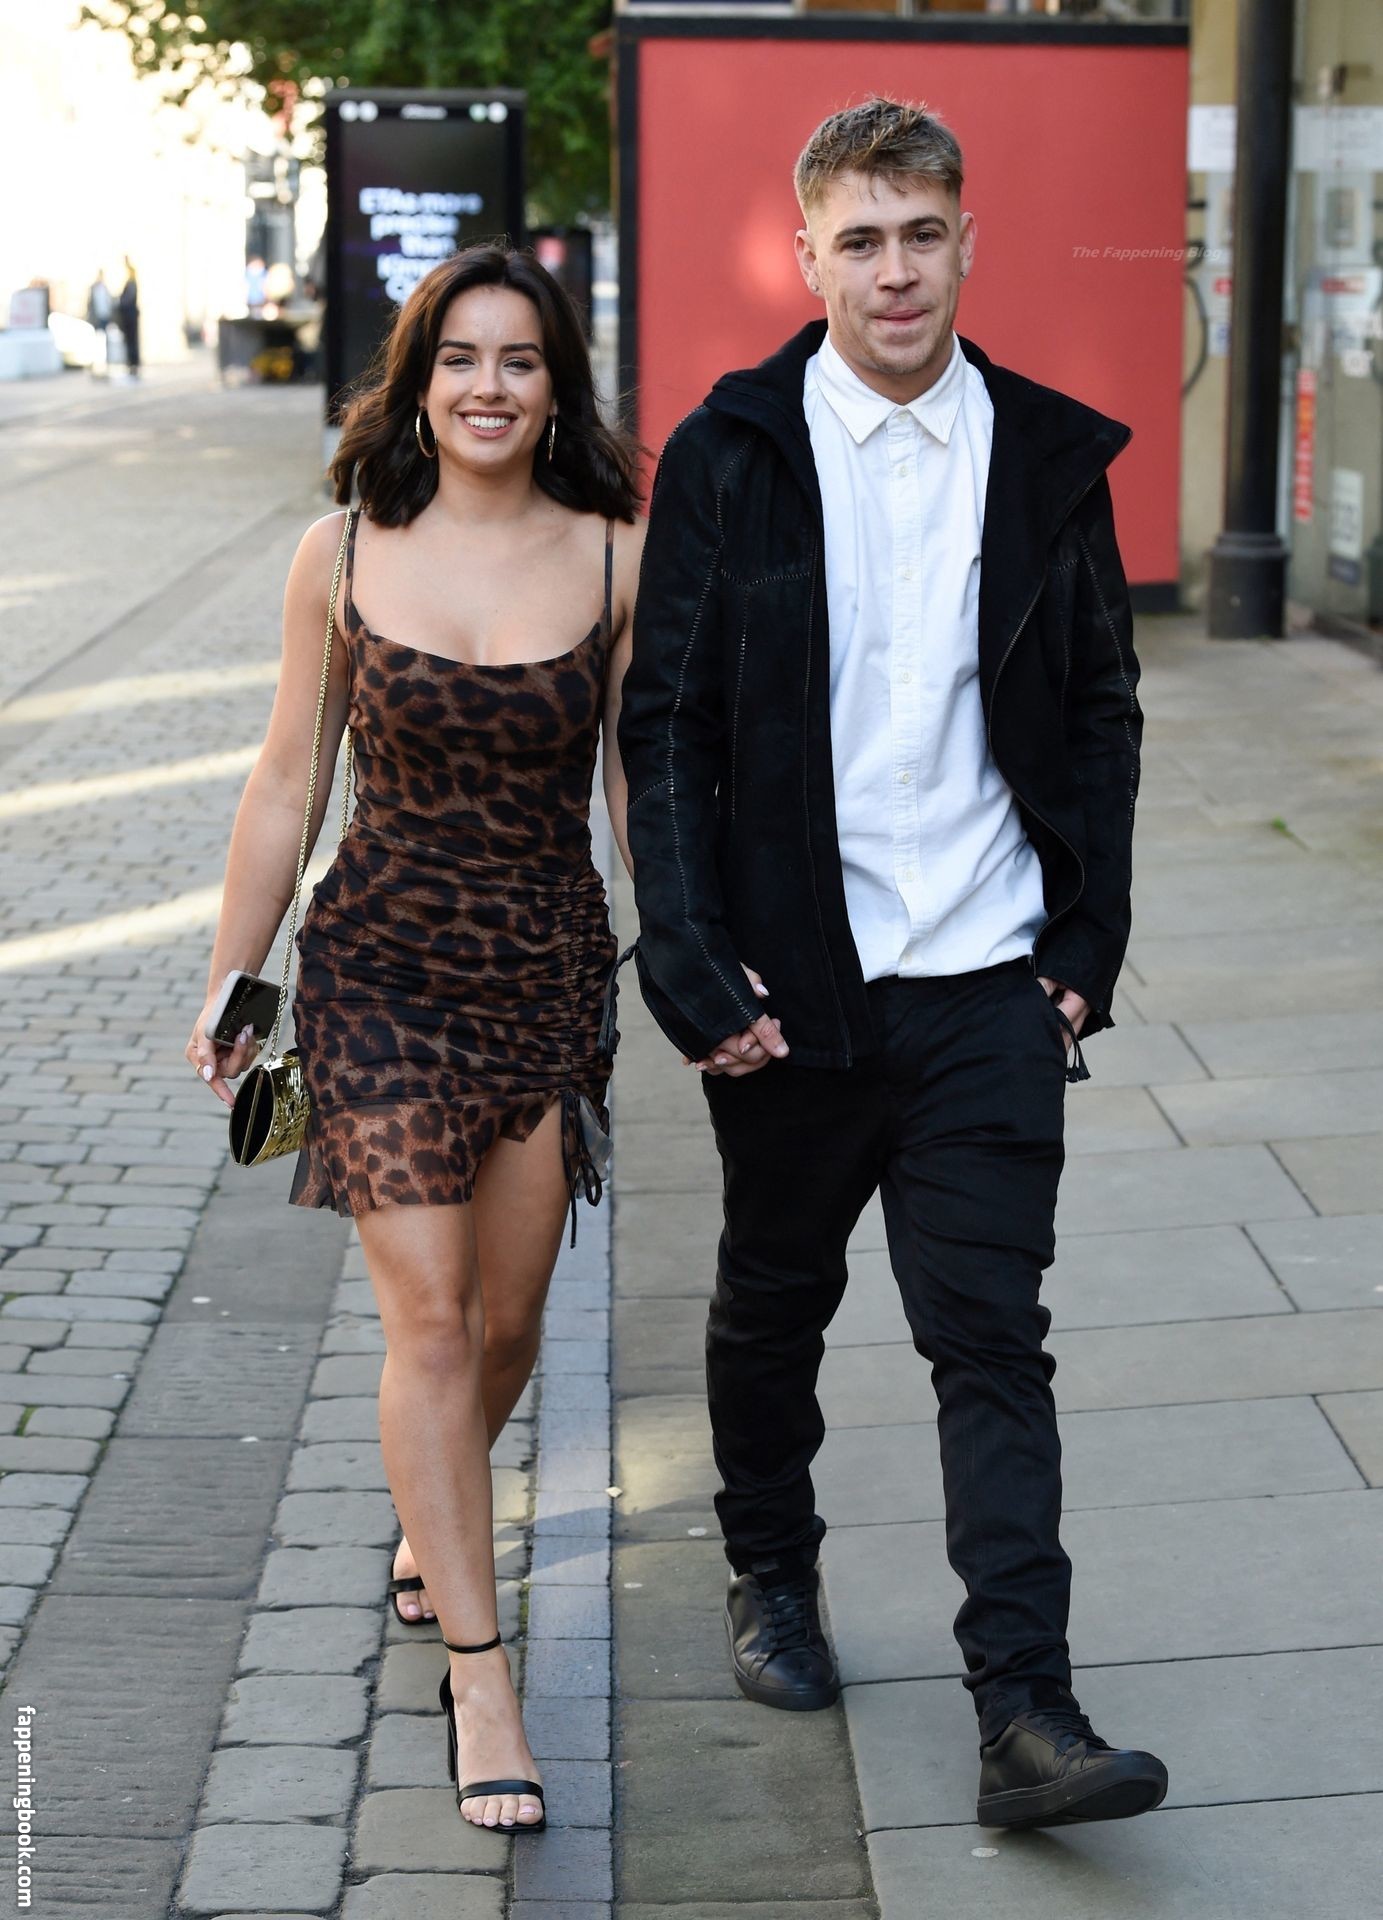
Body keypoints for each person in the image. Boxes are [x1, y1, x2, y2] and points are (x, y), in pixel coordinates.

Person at [618, 98, 1168, 1830]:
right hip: (796, 993)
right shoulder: (732, 451)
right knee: (772, 1304)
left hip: (990, 983)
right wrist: (689, 965)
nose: (893, 271)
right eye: (858, 240)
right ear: (807, 258)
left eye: (920, 234)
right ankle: (769, 1572)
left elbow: (1099, 707)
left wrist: (1081, 946)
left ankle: (1025, 1710)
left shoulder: (1045, 454)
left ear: (964, 244)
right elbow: (665, 724)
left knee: (989, 1340)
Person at [189, 245, 644, 1834]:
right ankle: (482, 1673)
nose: (488, 387)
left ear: (555, 383)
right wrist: (237, 972)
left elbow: (635, 785)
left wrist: (691, 962)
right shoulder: (339, 552)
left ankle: (425, 1516)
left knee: (508, 1326)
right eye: (460, 358)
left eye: (519, 360)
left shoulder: (613, 554)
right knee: (432, 1325)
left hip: (544, 978)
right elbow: (285, 780)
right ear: (418, 377)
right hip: (375, 972)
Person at [116, 258, 140, 377]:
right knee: (130, 341)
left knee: (131, 341)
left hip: (130, 316)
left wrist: (120, 302)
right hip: (130, 316)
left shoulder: (131, 283)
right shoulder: (131, 283)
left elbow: (127, 300)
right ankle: (132, 364)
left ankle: (133, 364)